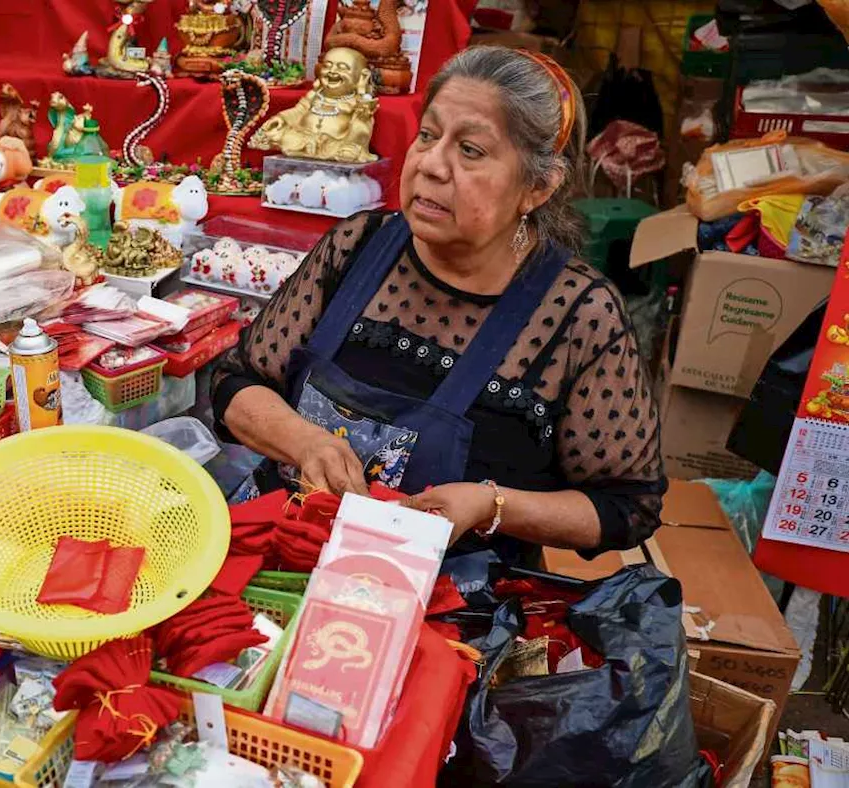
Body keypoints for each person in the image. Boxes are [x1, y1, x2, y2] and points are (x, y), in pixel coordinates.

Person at [212, 46, 666, 566]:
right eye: (428, 136)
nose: (430, 164)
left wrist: (491, 505)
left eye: (470, 150)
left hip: (452, 606)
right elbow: (235, 382)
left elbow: (627, 506)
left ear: (538, 187)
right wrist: (303, 442)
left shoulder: (578, 316)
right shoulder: (357, 247)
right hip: (280, 555)